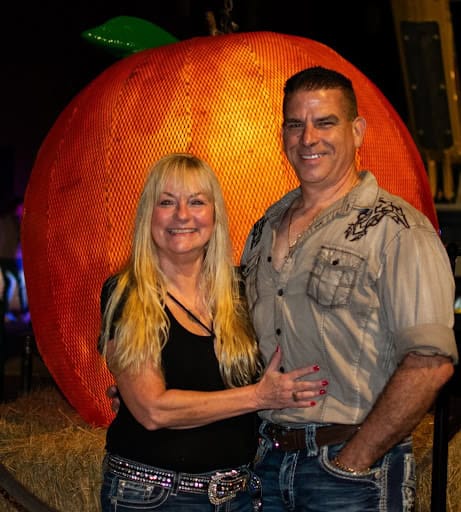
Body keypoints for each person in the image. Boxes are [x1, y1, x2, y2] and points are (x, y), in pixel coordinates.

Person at [240, 66, 459, 511]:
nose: (308, 138)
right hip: (266, 466)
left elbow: (430, 363)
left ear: (357, 131)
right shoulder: (262, 229)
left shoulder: (398, 230)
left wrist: (355, 461)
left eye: (325, 122)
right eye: (295, 124)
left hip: (351, 473)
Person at [98, 153, 328, 511]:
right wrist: (258, 396)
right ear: (148, 214)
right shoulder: (129, 293)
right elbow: (152, 410)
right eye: (167, 202)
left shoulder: (242, 290)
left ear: (215, 215)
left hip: (239, 495)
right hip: (155, 497)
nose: (182, 216)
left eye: (196, 202)